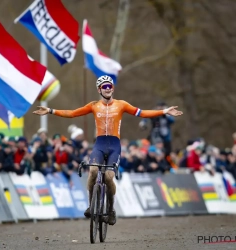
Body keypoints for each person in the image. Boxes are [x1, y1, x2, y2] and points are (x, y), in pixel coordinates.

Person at [32, 75, 183, 226]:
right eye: (104, 86)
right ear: (99, 90)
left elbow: (142, 113)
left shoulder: (121, 104)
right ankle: (91, 205)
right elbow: (72, 113)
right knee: (92, 171)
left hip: (114, 145)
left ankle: (111, 211)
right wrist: (50, 110)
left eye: (110, 86)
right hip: (99, 144)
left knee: (109, 177)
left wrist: (164, 111)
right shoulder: (93, 105)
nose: (108, 88)